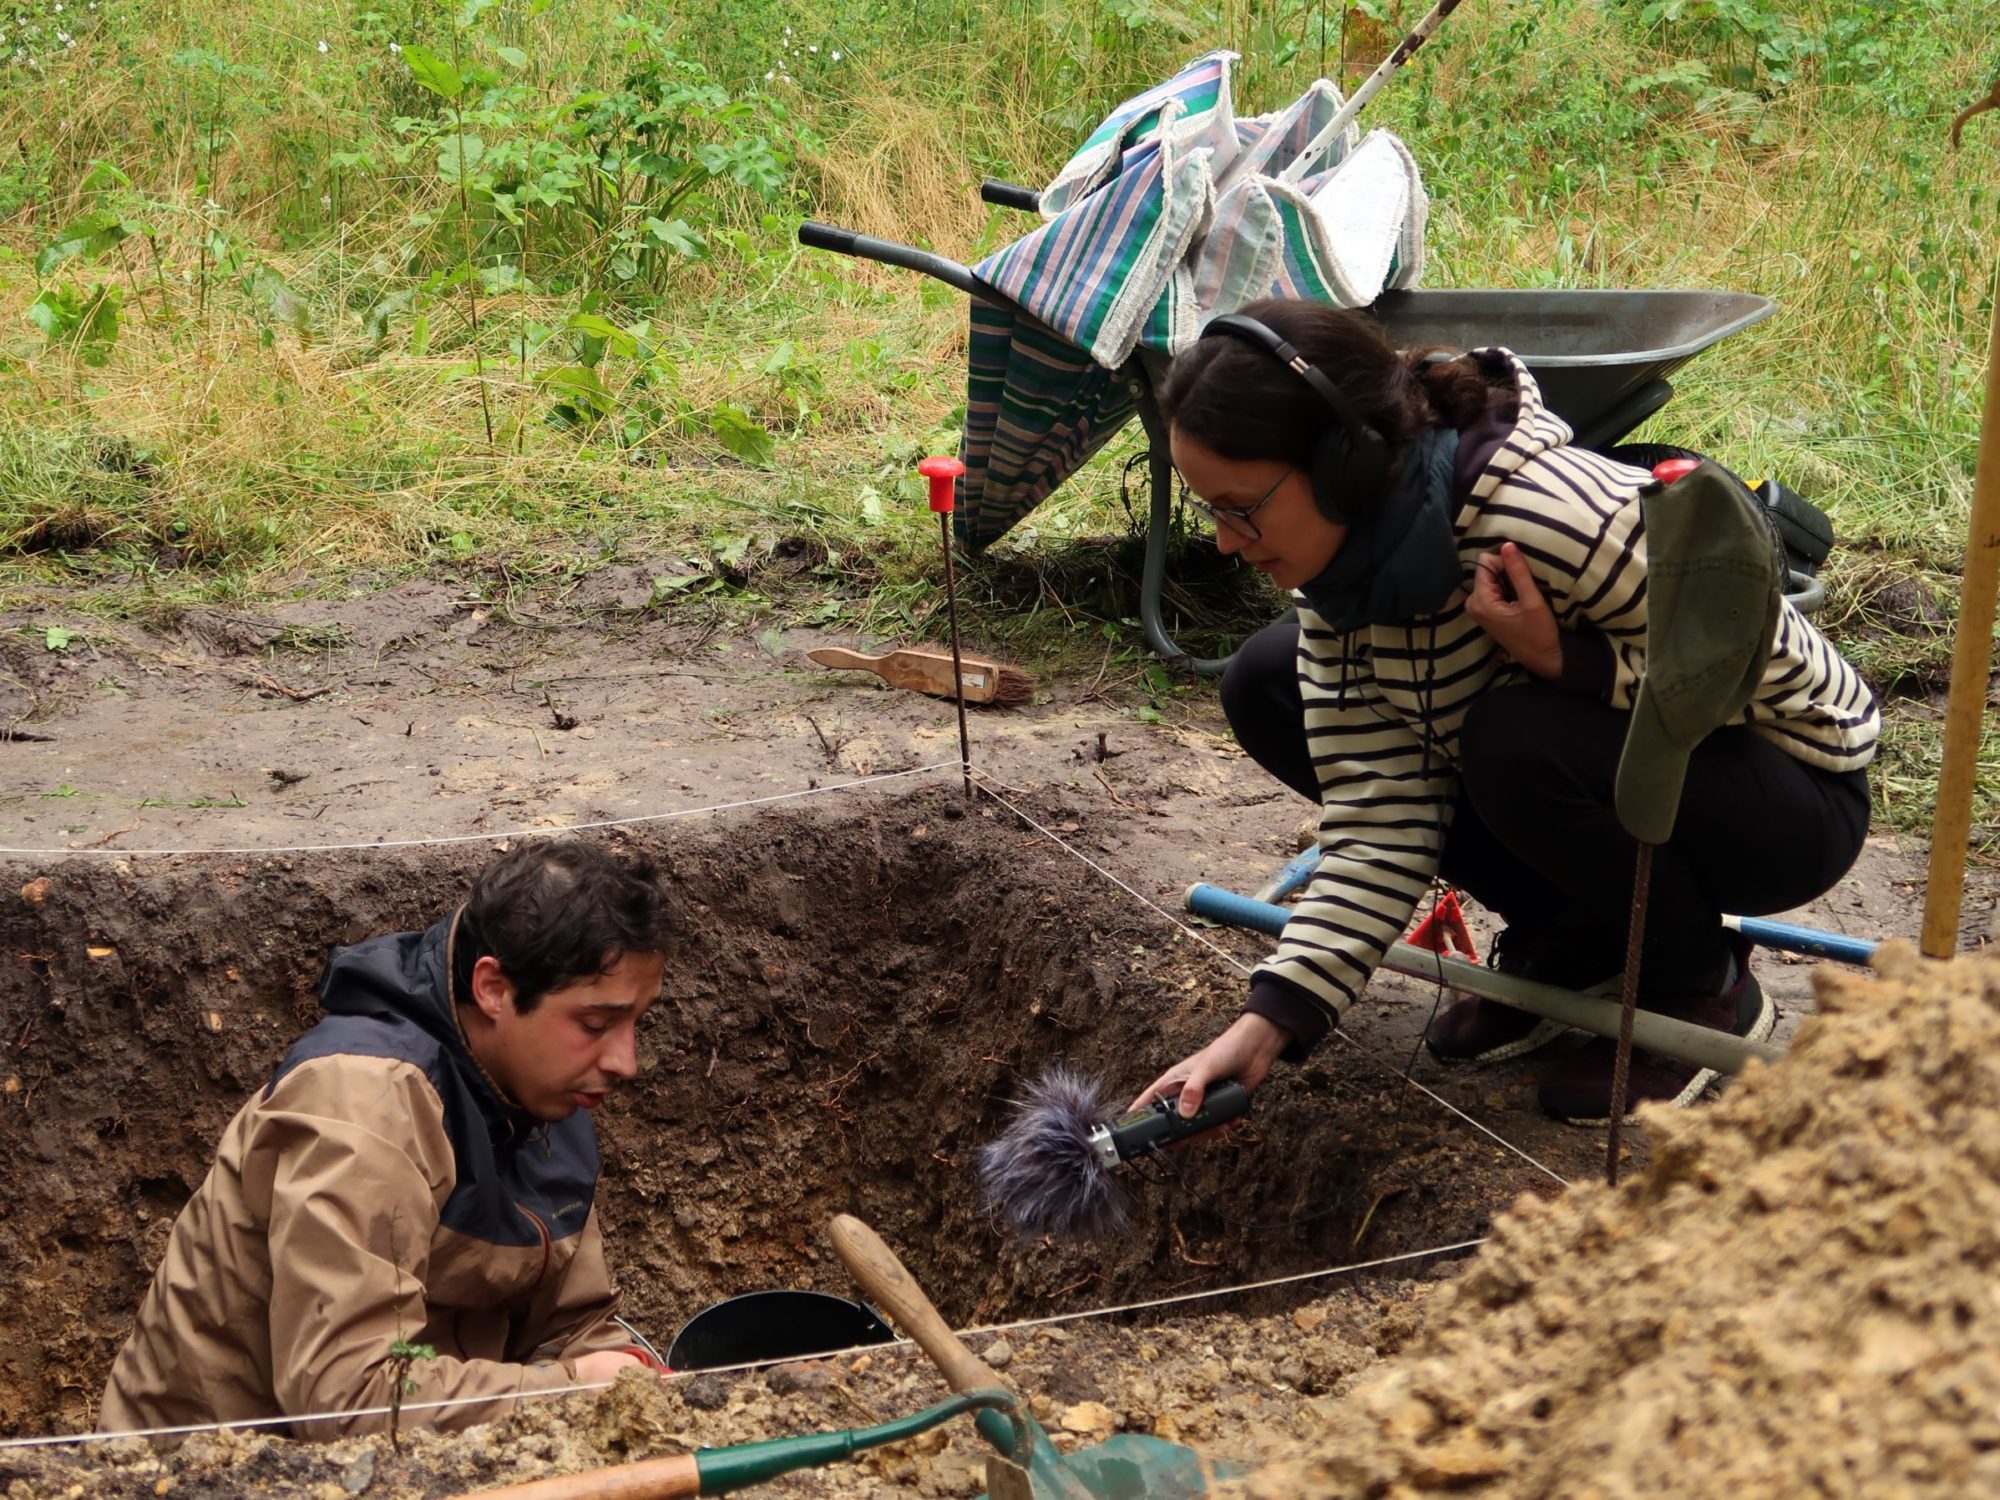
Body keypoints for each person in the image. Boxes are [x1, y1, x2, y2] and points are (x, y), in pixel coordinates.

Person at [1133, 299, 1876, 1126]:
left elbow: (1786, 684)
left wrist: (1576, 665)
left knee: (1513, 739)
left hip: (1792, 791)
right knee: (1266, 679)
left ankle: (1697, 986)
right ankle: (1580, 944)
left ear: (1344, 461)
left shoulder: (1554, 516)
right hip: (1616, 776)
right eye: (1212, 512)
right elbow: (1382, 819)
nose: (1229, 543)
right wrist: (1269, 1023)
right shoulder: (1346, 586)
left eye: (1242, 507)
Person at [99, 840, 675, 1437]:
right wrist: (574, 1391)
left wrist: (629, 1379)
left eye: (637, 1021)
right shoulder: (362, 1106)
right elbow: (349, 1397)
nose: (625, 1061)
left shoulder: (547, 1093)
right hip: (209, 1473)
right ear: (494, 990)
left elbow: (575, 1329)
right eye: (596, 1024)